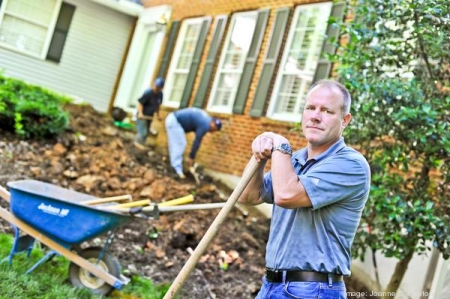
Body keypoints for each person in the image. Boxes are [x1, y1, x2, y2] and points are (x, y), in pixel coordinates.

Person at [238, 79, 371, 299]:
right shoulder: (295, 160)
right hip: (271, 285)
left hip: (313, 291)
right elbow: (249, 195)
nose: (315, 116)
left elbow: (287, 195)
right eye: (310, 108)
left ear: (345, 120)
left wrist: (280, 144)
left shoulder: (351, 164)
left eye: (327, 111)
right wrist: (260, 157)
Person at [165, 107, 222, 179]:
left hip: (173, 119)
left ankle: (175, 165)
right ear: (213, 124)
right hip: (174, 121)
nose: (213, 132)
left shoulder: (206, 119)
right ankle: (176, 169)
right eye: (215, 129)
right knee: (180, 144)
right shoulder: (205, 125)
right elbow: (197, 141)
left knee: (177, 144)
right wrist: (191, 158)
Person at [134, 77, 165, 150]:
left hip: (149, 117)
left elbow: (158, 106)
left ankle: (140, 147)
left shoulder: (160, 94)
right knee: (143, 132)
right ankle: (136, 145)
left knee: (146, 133)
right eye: (155, 86)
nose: (156, 88)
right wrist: (140, 113)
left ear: (161, 88)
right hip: (142, 116)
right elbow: (141, 103)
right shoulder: (148, 92)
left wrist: (159, 115)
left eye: (158, 87)